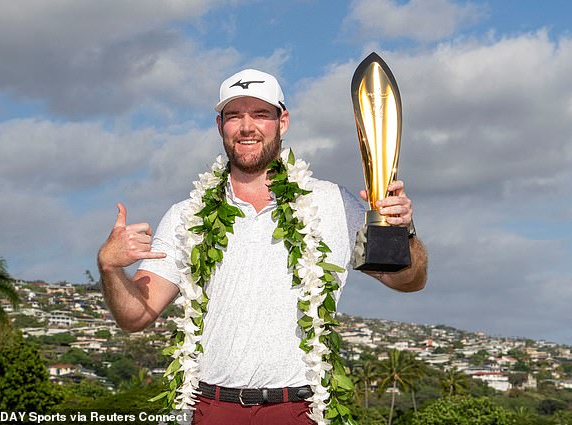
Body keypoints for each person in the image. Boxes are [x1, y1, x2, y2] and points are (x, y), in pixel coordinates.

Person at [98, 69, 427, 425]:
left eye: (260, 114)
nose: (246, 126)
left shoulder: (332, 202)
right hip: (210, 407)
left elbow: (408, 280)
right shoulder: (185, 215)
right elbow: (135, 316)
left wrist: (402, 231)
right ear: (219, 124)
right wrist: (110, 267)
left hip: (300, 409)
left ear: (282, 121)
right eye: (234, 115)